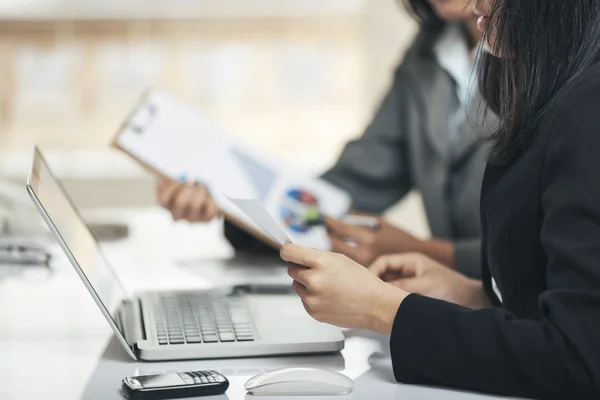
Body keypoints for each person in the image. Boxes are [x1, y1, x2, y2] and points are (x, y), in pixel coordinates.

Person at [279, 0, 600, 398]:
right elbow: (558, 293)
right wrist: (471, 294)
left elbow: (582, 356)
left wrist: (384, 309)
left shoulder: (587, 103)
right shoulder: (538, 81)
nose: (474, 3)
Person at [157, 0, 496, 278]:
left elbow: (540, 247)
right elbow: (356, 181)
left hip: (527, 317)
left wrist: (426, 253)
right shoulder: (430, 50)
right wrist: (229, 200)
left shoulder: (539, 58)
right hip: (459, 316)